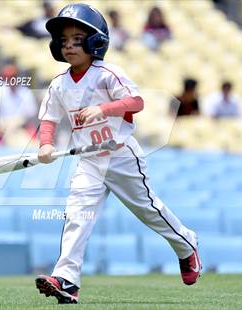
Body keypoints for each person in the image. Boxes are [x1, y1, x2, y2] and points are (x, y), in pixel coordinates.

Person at [35, 4, 201, 304]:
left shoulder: (107, 73)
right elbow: (48, 119)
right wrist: (45, 145)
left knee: (148, 210)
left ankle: (187, 245)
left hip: (121, 155)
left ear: (95, 42)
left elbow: (136, 102)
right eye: (63, 41)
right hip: (89, 160)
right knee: (77, 214)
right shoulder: (59, 84)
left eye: (76, 39)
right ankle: (67, 280)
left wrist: (103, 107)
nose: (68, 45)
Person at [0, 64, 38, 145]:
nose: (10, 80)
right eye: (8, 78)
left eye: (13, 77)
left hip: (21, 128)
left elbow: (30, 114)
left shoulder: (25, 92)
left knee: (33, 144)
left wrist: (15, 124)